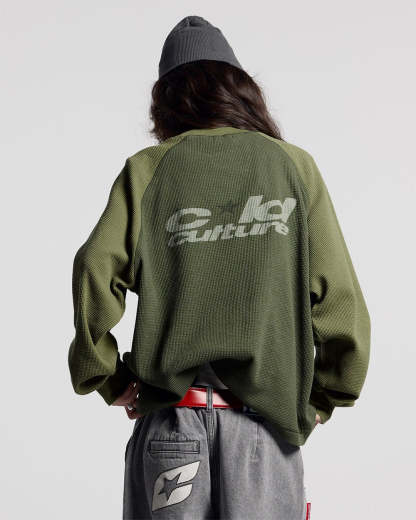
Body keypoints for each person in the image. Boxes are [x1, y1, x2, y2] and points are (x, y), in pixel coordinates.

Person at [68, 15, 371, 520]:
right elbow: (341, 303)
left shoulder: (148, 170)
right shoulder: (293, 168)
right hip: (264, 436)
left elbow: (95, 268)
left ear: (166, 100)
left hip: (173, 429)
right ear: (240, 90)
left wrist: (107, 377)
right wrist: (324, 397)